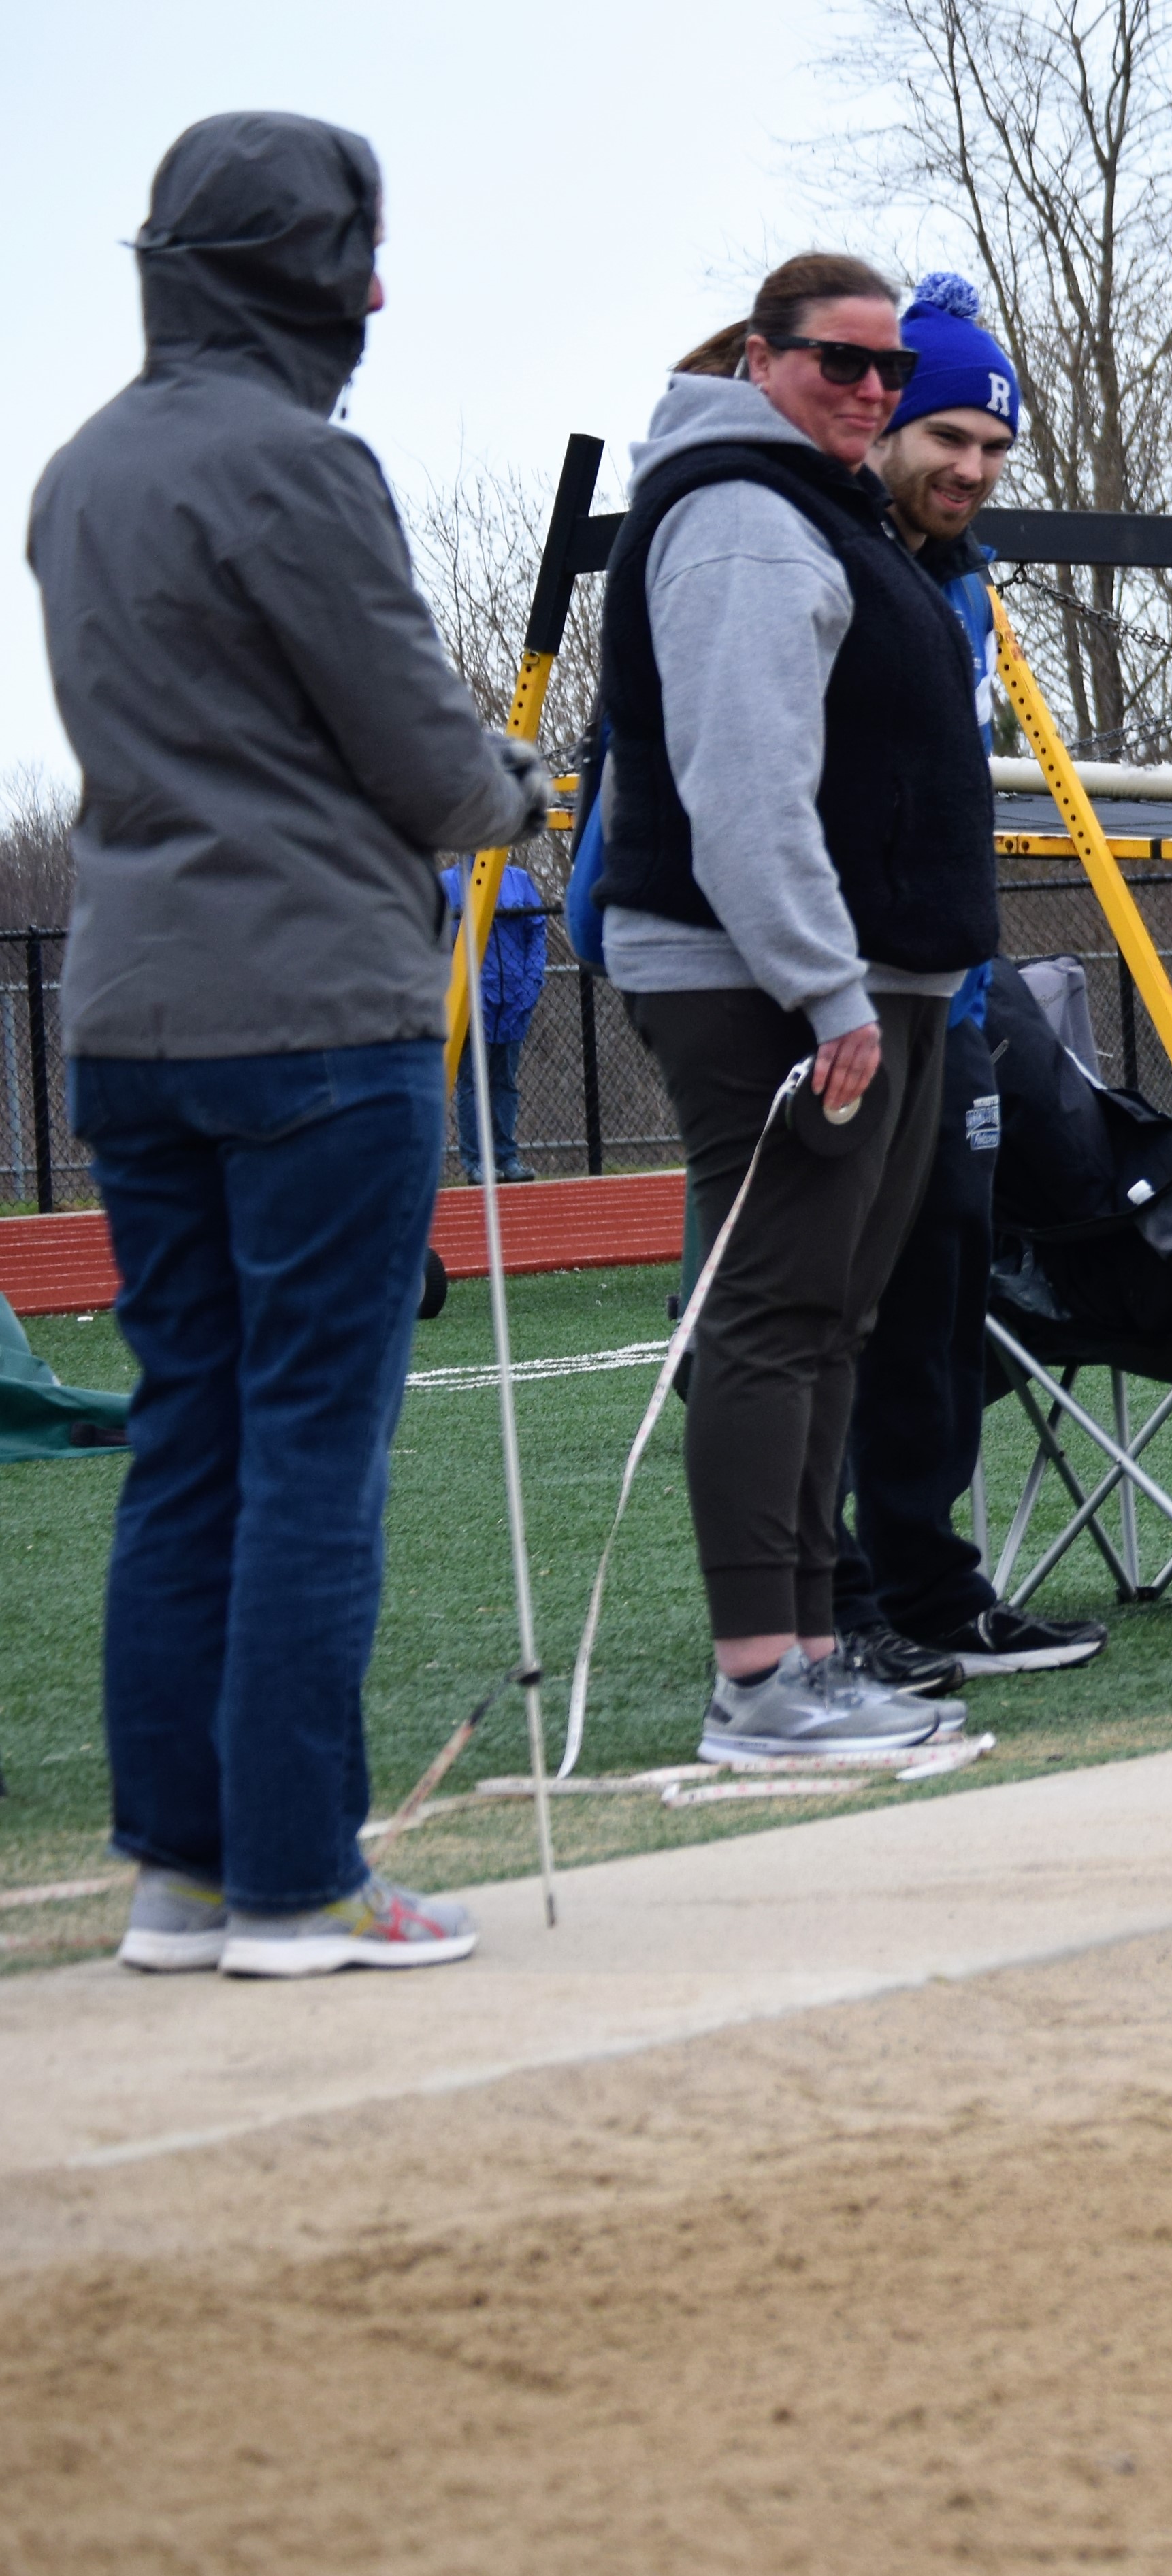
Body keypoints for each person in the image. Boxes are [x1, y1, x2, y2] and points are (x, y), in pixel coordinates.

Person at [33, 113, 549, 1972]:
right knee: (314, 1449)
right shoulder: (305, 471)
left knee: (191, 1438)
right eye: (359, 257)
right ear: (301, 273)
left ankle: (180, 1876)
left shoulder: (80, 471)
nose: (383, 291)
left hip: (131, 1012)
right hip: (317, 1013)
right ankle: (302, 1880)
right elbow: (424, 765)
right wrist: (519, 783)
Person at [595, 253, 1001, 1760]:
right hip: (770, 987)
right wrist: (828, 988)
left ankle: (816, 1651)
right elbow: (745, 785)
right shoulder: (743, 522)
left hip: (871, 984)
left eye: (892, 372)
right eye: (844, 364)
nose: (876, 393)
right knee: (777, 1319)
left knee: (836, 1316)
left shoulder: (823, 513)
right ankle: (760, 1676)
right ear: (764, 357)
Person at [830, 274, 1106, 1694]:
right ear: (879, 419)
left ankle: (931, 1586)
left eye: (996, 448)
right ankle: (818, 1607)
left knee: (945, 1289)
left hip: (947, 991)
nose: (973, 468)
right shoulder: (811, 551)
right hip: (826, 997)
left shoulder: (962, 576)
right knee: (827, 1305)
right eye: (949, 434)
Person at [439, 855, 547, 1180]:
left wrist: (530, 985)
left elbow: (536, 932)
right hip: (471, 999)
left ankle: (506, 1157)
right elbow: (438, 940)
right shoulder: (448, 884)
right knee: (473, 1083)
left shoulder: (518, 880)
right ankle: (476, 1161)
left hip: (512, 999)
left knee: (504, 1082)